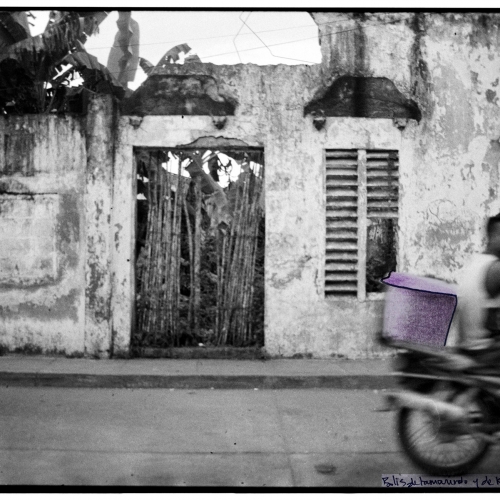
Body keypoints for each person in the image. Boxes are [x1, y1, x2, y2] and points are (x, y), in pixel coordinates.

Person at [457, 213, 500, 350]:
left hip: (468, 347)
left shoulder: (476, 262)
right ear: (494, 235)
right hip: (483, 352)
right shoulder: (496, 268)